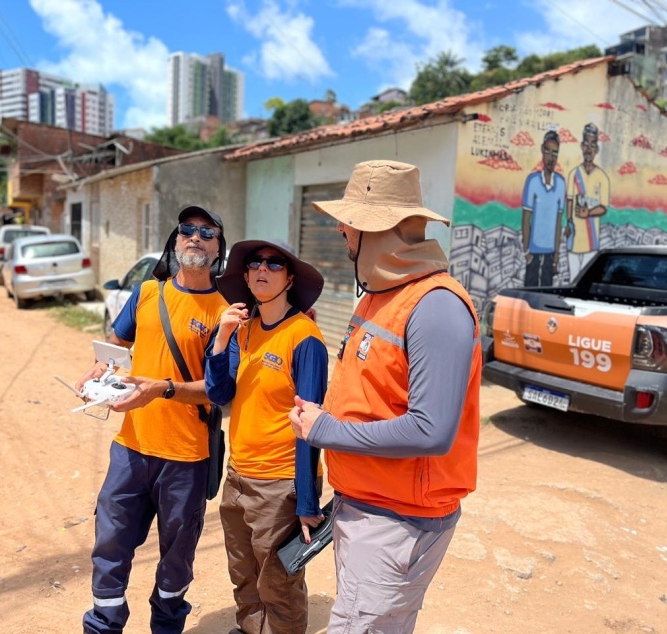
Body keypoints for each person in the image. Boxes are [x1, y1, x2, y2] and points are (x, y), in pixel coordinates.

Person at [288, 160, 482, 633]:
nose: (340, 229)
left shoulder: (436, 305)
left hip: (398, 521)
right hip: (369, 508)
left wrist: (326, 430)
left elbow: (431, 430)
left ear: (376, 229)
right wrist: (327, 414)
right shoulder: (381, 296)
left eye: (350, 222)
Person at [77, 206, 228, 634]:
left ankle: (166, 626)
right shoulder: (147, 293)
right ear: (176, 240)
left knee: (177, 559)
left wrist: (162, 388)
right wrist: (100, 371)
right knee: (109, 545)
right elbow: (116, 345)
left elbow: (219, 391)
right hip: (130, 448)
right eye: (187, 230)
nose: (195, 237)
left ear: (219, 249)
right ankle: (103, 625)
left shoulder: (225, 311)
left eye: (207, 233)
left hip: (187, 457)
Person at [205, 240, 328, 634]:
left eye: (274, 264)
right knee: (243, 572)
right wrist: (221, 338)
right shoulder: (244, 330)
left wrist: (306, 501)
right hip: (238, 475)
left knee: (278, 581)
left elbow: (310, 425)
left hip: (280, 483)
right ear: (244, 276)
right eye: (255, 263)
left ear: (289, 279)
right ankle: (250, 628)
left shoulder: (304, 337)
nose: (262, 269)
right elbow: (219, 393)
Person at [564, 123, 610, 282]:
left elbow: (604, 207)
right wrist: (568, 223)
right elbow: (569, 201)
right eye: (586, 144)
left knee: (586, 282)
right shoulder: (573, 174)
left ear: (596, 149)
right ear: (582, 146)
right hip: (574, 240)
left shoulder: (602, 177)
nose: (589, 149)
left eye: (592, 144)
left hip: (592, 242)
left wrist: (588, 213)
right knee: (573, 281)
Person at [522, 130, 566, 286]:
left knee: (546, 290)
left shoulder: (561, 184)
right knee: (530, 290)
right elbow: (526, 220)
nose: (551, 157)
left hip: (550, 253)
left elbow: (558, 223)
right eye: (548, 151)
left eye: (555, 153)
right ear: (542, 150)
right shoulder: (532, 181)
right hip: (533, 252)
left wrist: (556, 256)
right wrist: (526, 252)